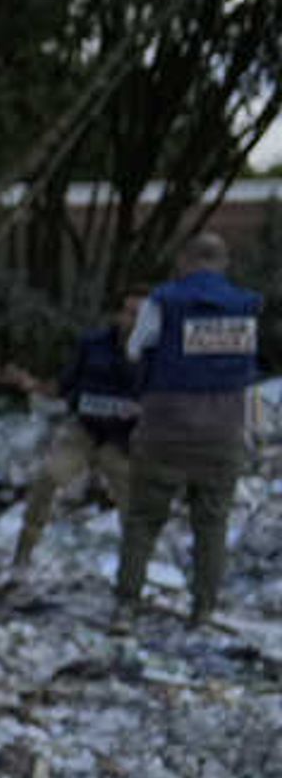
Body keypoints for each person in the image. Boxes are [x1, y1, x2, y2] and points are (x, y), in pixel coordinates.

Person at [116, 232, 263, 626]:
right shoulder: (246, 305)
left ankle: (126, 607)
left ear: (184, 260)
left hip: (164, 427)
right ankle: (203, 609)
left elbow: (135, 349)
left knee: (144, 520)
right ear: (224, 262)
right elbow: (247, 373)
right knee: (212, 525)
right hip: (223, 430)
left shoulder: (163, 300)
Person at [5, 293, 144, 576]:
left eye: (140, 315)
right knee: (48, 478)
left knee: (134, 507)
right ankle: (23, 554)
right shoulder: (93, 345)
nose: (132, 321)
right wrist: (32, 385)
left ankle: (133, 573)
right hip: (86, 429)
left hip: (124, 441)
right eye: (128, 313)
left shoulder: (157, 353)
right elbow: (64, 384)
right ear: (118, 315)